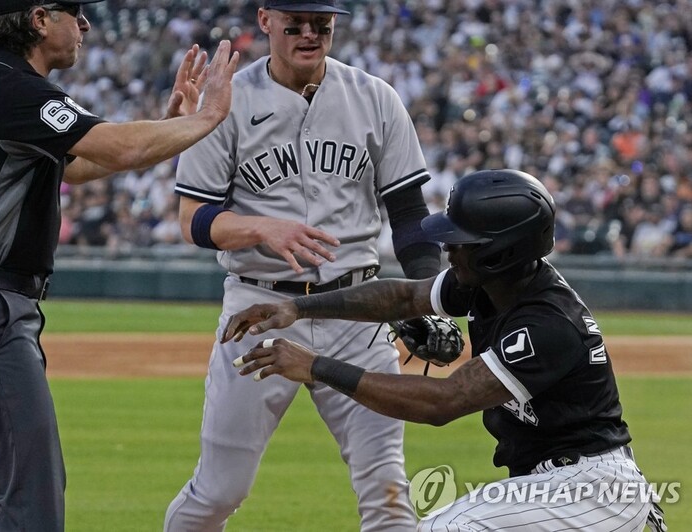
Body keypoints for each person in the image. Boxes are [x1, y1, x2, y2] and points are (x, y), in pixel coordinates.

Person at [0, 1, 238, 530]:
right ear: (38, 19)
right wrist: (208, 117)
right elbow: (119, 150)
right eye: (73, 13)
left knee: (8, 497)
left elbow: (79, 166)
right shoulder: (10, 88)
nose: (83, 25)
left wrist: (171, 125)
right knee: (31, 506)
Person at [223, 169, 667, 532]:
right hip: (557, 485)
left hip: (588, 491)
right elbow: (401, 298)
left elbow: (442, 402)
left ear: (500, 251)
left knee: (447, 529)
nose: (448, 249)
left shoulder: (546, 324)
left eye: (461, 241)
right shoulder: (495, 283)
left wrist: (316, 366)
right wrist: (295, 307)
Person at [165, 0, 448, 530]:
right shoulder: (226, 100)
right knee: (220, 491)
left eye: (321, 22)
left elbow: (410, 218)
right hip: (260, 307)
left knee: (387, 490)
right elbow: (194, 219)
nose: (309, 33)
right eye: (295, 22)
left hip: (357, 310)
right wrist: (259, 227)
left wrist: (425, 295)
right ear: (265, 20)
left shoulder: (375, 97)